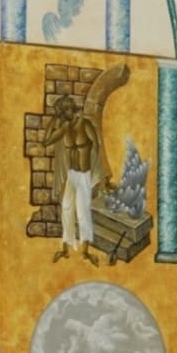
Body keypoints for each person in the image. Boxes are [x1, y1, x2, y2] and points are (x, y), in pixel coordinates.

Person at [44, 93, 107, 265]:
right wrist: (53, 120)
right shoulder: (65, 127)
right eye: (59, 113)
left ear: (69, 108)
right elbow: (46, 141)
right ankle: (65, 248)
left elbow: (97, 148)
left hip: (84, 175)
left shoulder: (85, 124)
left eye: (62, 111)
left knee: (82, 212)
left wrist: (98, 178)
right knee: (66, 208)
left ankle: (85, 250)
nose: (62, 115)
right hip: (72, 174)